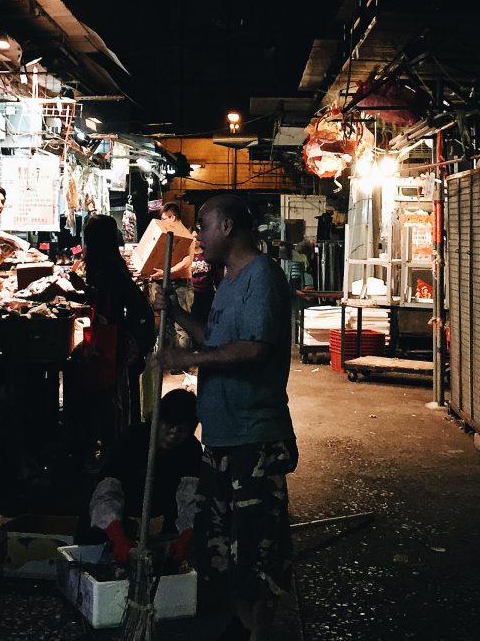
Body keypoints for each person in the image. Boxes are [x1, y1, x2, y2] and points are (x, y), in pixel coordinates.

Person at [154, 195, 297, 641]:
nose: (198, 236)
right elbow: (216, 338)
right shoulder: (229, 280)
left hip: (253, 437)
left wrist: (188, 356)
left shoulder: (263, 278)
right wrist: (175, 314)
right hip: (220, 435)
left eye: (205, 226)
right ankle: (240, 622)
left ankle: (261, 632)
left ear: (230, 226)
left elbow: (253, 349)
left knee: (258, 546)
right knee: (221, 543)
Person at [66, 215, 156, 467]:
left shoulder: (105, 265)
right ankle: (115, 444)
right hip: (119, 333)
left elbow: (111, 301)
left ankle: (114, 449)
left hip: (116, 336)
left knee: (111, 393)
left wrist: (81, 289)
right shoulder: (110, 262)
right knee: (113, 392)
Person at [75, 389, 202, 566]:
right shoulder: (133, 438)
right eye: (168, 426)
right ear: (157, 421)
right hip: (121, 510)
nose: (173, 434)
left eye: (181, 430)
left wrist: (186, 537)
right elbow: (108, 489)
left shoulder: (191, 450)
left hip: (163, 510)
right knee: (95, 549)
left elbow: (190, 498)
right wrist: (117, 536)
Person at [148, 201, 194, 281]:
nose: (162, 222)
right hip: (168, 281)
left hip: (180, 284)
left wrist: (165, 273)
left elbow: (187, 261)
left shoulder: (185, 234)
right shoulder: (172, 234)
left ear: (172, 217)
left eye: (163, 219)